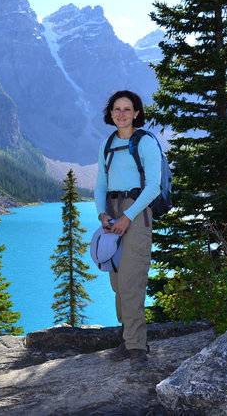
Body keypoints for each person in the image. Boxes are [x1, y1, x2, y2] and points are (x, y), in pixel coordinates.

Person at [95, 90, 161, 365]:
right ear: (110, 114)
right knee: (117, 283)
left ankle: (137, 347)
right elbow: (100, 185)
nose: (121, 114)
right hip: (112, 213)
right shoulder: (107, 144)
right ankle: (128, 337)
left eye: (127, 109)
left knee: (131, 282)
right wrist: (102, 215)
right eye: (116, 109)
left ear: (136, 113)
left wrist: (128, 217)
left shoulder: (145, 142)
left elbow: (154, 186)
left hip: (138, 213)